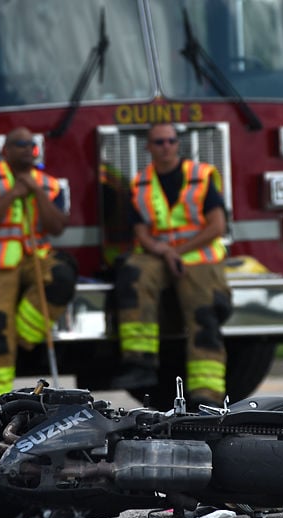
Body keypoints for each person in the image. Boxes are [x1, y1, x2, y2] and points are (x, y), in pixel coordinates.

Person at [111, 123, 232, 409]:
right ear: (148, 147)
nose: (165, 147)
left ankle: (207, 393)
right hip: (157, 254)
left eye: (170, 141)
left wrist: (177, 252)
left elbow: (217, 226)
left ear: (178, 144)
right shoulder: (140, 184)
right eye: (159, 142)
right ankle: (140, 363)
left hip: (199, 255)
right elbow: (141, 232)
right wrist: (164, 252)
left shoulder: (200, 176)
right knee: (133, 275)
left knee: (204, 312)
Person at [0, 127, 76, 392]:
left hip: (36, 258)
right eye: (19, 144)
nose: (26, 149)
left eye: (30, 145)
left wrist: (36, 191)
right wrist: (13, 193)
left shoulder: (48, 184)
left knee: (62, 278)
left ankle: (22, 336)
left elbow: (57, 226)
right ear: (5, 150)